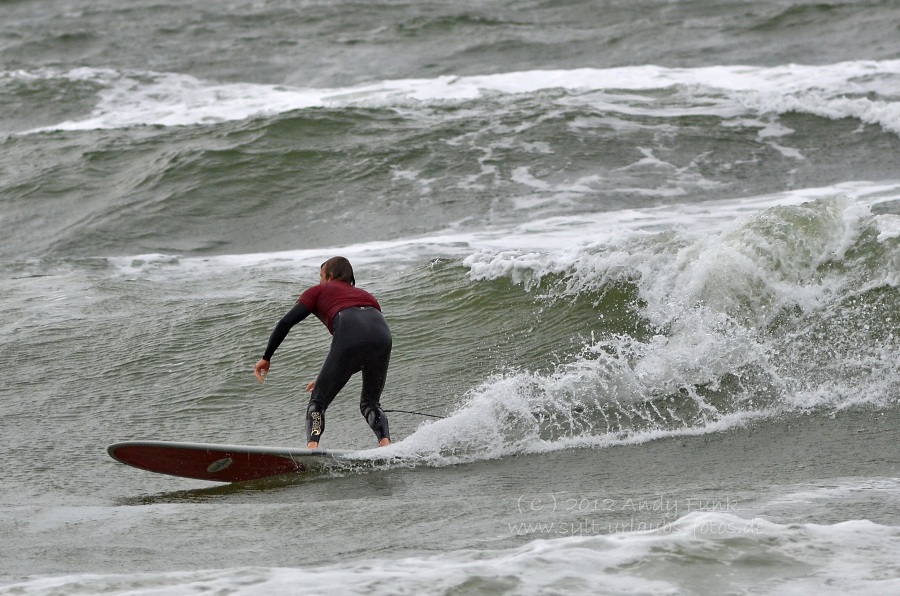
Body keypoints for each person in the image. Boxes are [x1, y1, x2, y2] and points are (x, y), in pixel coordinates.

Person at [254, 256, 392, 449]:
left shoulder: (318, 291)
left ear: (330, 275)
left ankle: (312, 446)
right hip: (383, 335)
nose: (319, 280)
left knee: (318, 402)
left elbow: (286, 322)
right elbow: (361, 351)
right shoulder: (367, 295)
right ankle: (385, 442)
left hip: (349, 331)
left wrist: (266, 357)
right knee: (370, 403)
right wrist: (325, 376)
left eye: (321, 275)